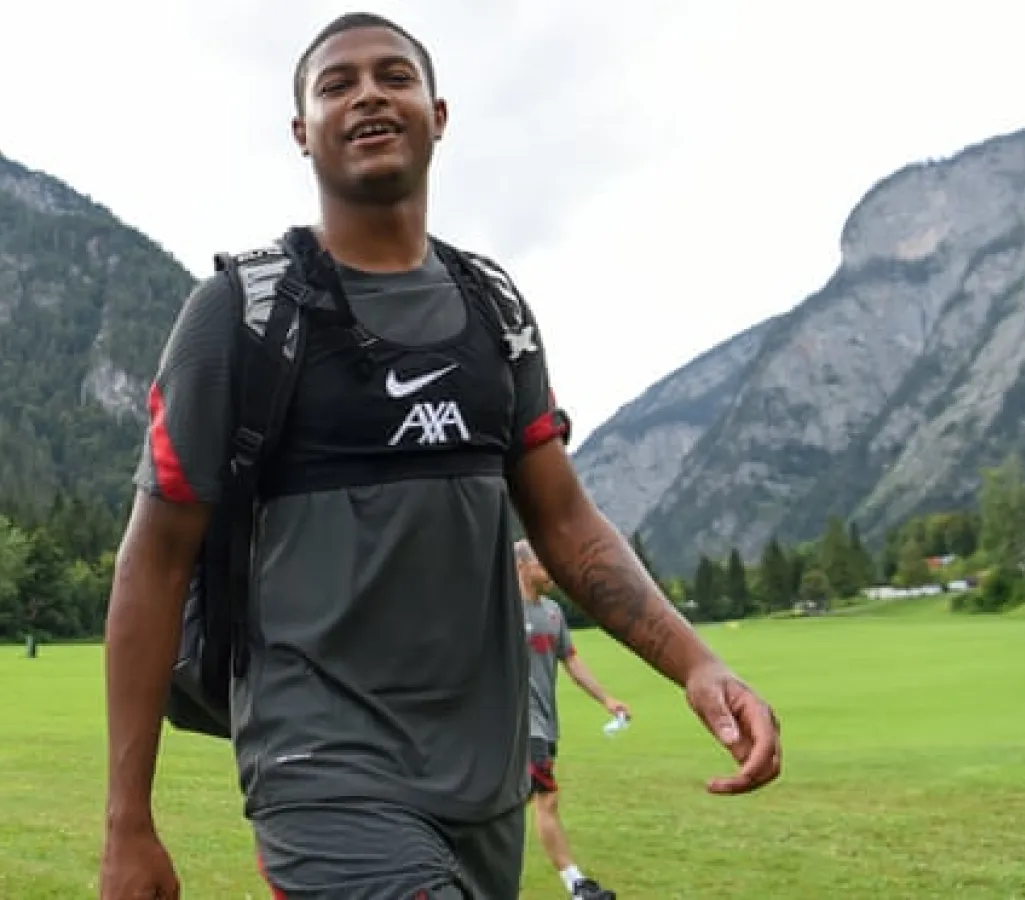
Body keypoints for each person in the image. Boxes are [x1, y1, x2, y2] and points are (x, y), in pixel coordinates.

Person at [99, 12, 783, 900]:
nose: (370, 94)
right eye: (336, 84)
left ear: (439, 113)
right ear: (302, 132)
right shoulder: (243, 313)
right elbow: (152, 561)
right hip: (322, 769)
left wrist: (699, 664)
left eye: (395, 76)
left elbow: (566, 522)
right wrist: (128, 822)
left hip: (486, 779)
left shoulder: (493, 307)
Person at [516, 538, 628, 900]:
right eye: (543, 564)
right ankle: (577, 886)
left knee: (512, 803)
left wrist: (606, 698)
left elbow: (572, 661)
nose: (552, 571)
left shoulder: (552, 613)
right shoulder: (500, 612)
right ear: (522, 566)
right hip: (519, 727)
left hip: (546, 725)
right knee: (546, 798)